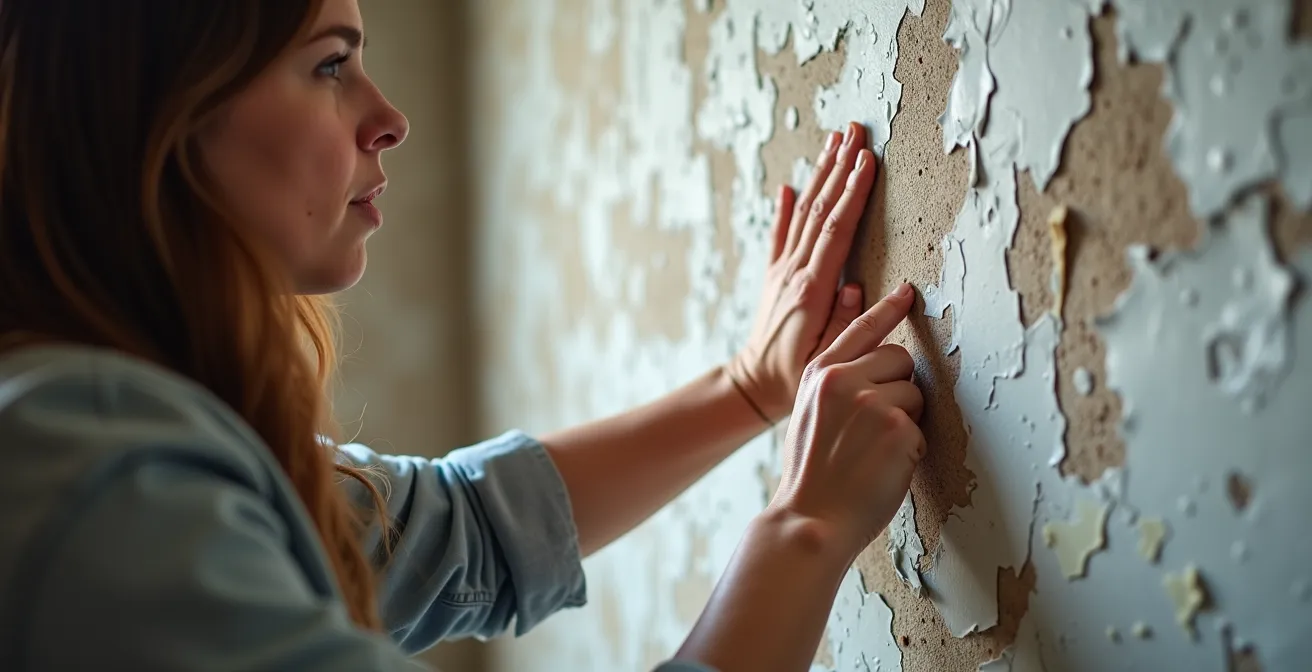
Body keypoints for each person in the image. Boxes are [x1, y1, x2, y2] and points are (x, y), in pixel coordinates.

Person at [0, 0, 927, 670]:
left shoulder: (111, 437)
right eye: (330, 63)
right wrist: (803, 530)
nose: (388, 119)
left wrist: (748, 388)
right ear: (160, 116)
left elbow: (466, 529)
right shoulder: (105, 492)